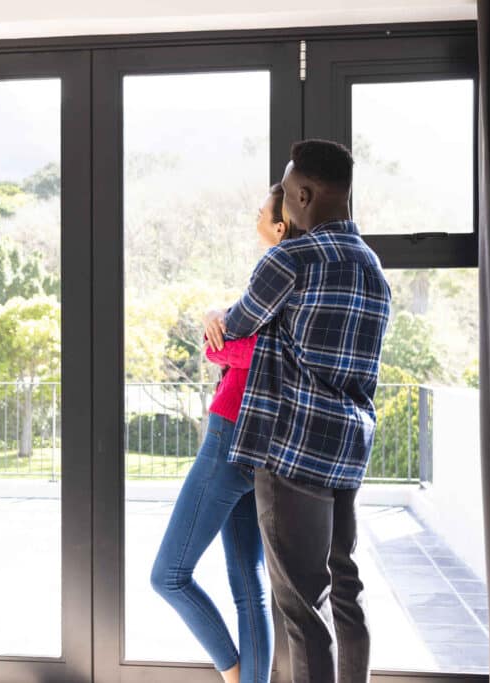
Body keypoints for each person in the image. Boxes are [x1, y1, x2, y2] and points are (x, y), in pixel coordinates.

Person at [204, 140, 392, 683]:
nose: (283, 205)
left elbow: (235, 327)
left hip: (294, 452)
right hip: (347, 454)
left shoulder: (293, 257)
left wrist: (218, 311)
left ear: (303, 195)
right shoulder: (371, 267)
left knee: (301, 610)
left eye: (286, 194)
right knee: (345, 593)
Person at [150, 184, 299, 683]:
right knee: (247, 585)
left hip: (231, 435)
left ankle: (234, 672)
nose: (255, 214)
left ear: (279, 226)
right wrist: (220, 320)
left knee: (168, 576)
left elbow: (249, 352)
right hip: (256, 441)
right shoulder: (285, 279)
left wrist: (219, 330)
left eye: (262, 211)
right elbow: (235, 342)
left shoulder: (280, 274)